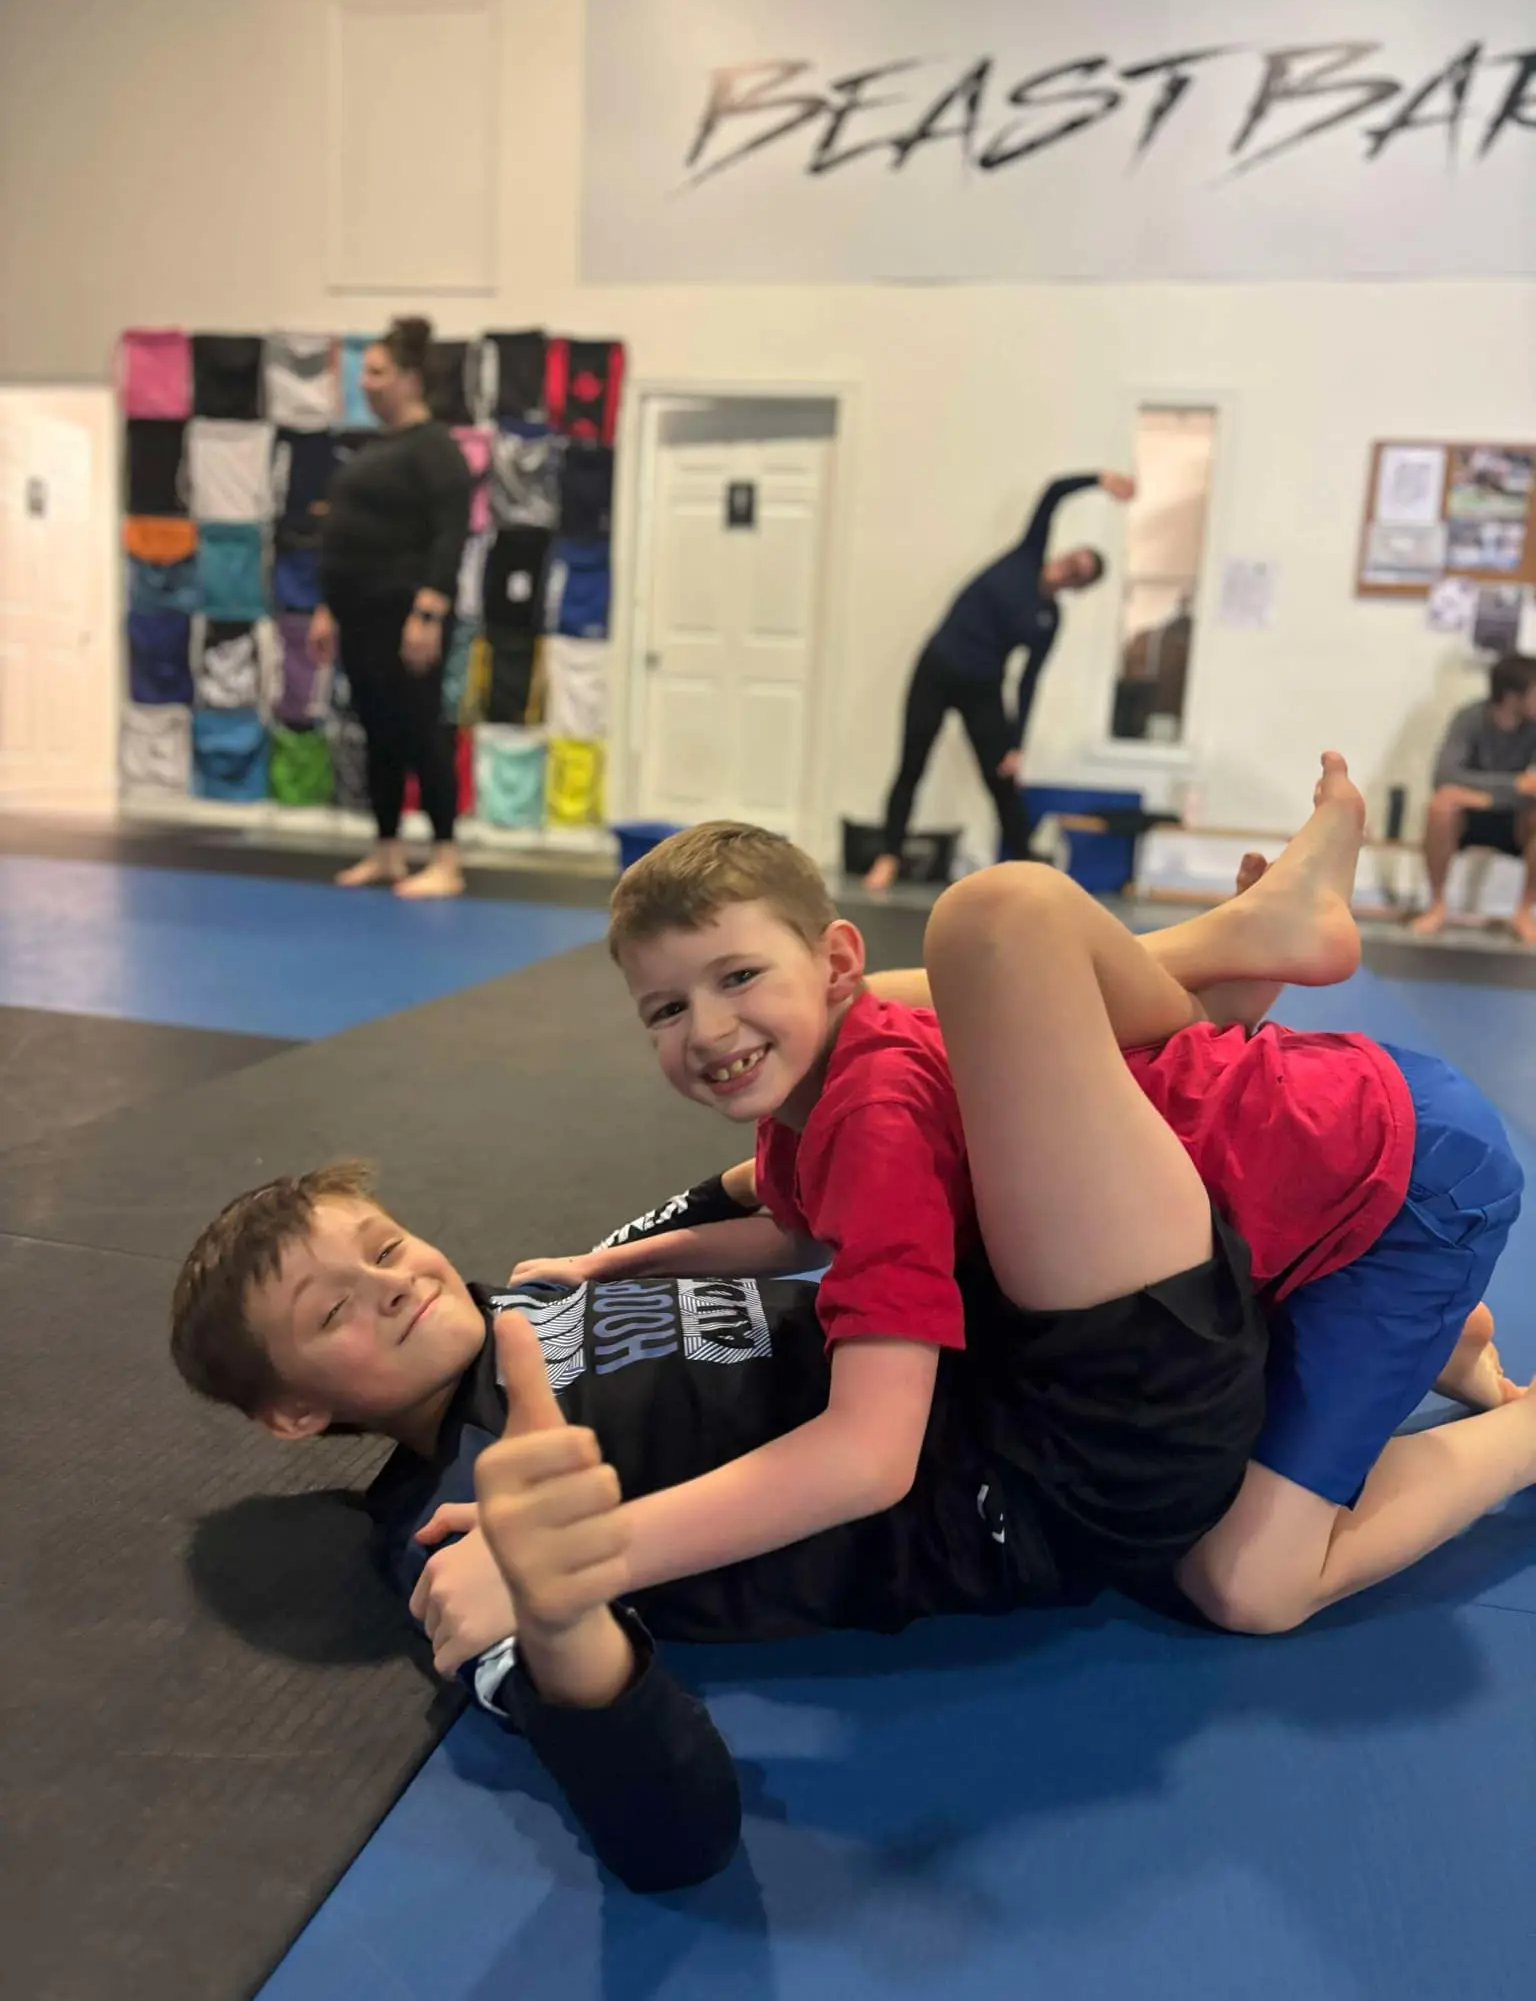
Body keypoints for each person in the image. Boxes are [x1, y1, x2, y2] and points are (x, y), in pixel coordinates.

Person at [522, 766, 1526, 1635]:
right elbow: (792, 1227)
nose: (704, 1029)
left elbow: (871, 1453)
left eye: (737, 976)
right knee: (996, 982)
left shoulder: (872, 1106)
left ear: (833, 961)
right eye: (666, 1008)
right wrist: (624, 1262)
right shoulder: (814, 1091)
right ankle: (1430, 1323)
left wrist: (588, 1560)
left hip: (1402, 1177)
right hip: (1278, 1177)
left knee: (1247, 1582)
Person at [863, 471, 1134, 892]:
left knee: (1003, 779)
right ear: (1063, 554)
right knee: (911, 765)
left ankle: (1030, 867)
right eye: (1074, 559)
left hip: (982, 687)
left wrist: (1017, 745)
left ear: (1079, 587)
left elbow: (1029, 681)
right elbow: (1053, 494)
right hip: (937, 668)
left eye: (1080, 573)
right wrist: (1099, 481)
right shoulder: (1026, 556)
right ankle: (888, 856)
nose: (1070, 568)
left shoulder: (1048, 620)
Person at [309, 316, 472, 900]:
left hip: (407, 619)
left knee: (421, 732)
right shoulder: (381, 448)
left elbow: (450, 536)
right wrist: (330, 608)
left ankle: (446, 860)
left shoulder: (437, 450)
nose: (366, 383)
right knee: (376, 733)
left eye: (376, 372)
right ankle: (386, 851)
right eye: (364, 371)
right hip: (361, 616)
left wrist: (427, 614)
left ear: (409, 379)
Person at [1411, 652, 1536, 945]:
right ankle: (1437, 905)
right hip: (1468, 819)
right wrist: (1514, 785)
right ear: (1511, 695)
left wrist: (1484, 797)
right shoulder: (1469, 719)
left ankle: (1523, 912)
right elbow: (1444, 777)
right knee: (1441, 805)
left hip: (1512, 818)